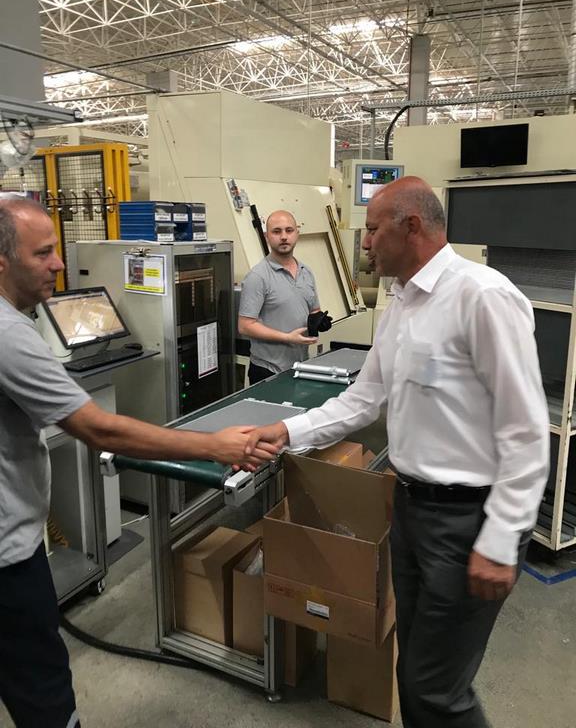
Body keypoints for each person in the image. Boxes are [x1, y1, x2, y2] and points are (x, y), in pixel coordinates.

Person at [245, 176, 549, 728]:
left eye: (372, 230)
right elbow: (364, 398)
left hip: (468, 522)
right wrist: (287, 432)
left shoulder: (482, 296)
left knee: (437, 690)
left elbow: (525, 430)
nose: (363, 243)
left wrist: (502, 537)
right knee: (413, 670)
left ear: (411, 227)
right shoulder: (402, 304)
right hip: (411, 512)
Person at [0, 195, 279, 728]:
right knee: (42, 689)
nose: (58, 264)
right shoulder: (10, 334)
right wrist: (213, 446)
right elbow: (99, 429)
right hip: (9, 559)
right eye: (43, 253)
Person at [238, 210, 321, 384]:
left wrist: (319, 321)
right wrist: (287, 337)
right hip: (267, 370)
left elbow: (314, 310)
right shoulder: (258, 277)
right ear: (267, 236)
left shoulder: (306, 272)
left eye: (289, 230)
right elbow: (245, 326)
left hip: (300, 366)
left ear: (297, 233)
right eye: (276, 231)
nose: (284, 237)